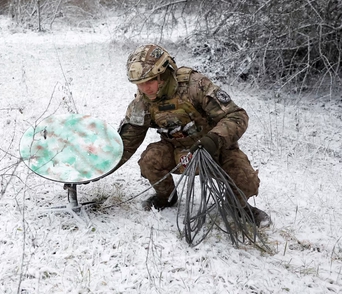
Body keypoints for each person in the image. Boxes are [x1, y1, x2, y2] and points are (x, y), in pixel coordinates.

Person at [115, 44, 271, 227]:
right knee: (150, 160)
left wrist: (213, 140)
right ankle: (166, 198)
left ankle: (238, 207)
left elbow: (237, 116)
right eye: (139, 84)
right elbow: (126, 142)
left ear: (163, 74)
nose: (144, 88)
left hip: (215, 149)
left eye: (149, 81)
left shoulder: (195, 86)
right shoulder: (142, 102)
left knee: (246, 179)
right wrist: (94, 170)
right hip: (177, 151)